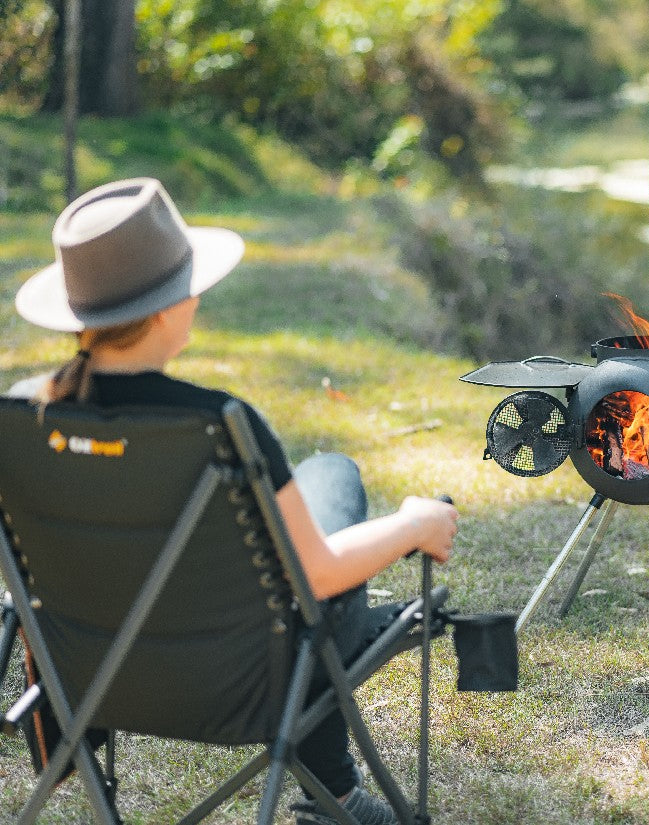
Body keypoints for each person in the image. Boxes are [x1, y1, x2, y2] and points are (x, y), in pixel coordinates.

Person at [12, 177, 459, 825]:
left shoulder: (20, 419)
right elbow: (321, 573)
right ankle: (339, 782)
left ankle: (344, 757)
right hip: (250, 679)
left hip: (91, 676)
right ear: (171, 305)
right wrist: (413, 523)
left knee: (323, 482)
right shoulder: (217, 423)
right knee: (332, 474)